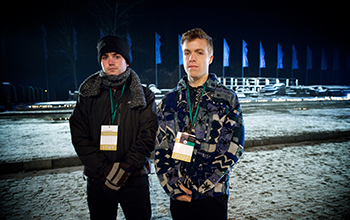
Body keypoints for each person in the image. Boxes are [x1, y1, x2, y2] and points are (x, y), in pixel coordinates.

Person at [154, 28, 244, 220]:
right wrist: (174, 187)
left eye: (199, 52)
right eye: (187, 52)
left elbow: (232, 148)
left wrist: (195, 186)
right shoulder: (168, 101)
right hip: (178, 195)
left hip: (213, 195)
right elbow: (160, 148)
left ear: (210, 58)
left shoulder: (227, 99)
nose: (192, 58)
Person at [70, 35, 158, 220]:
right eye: (105, 57)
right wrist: (105, 169)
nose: (110, 61)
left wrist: (126, 168)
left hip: (134, 178)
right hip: (99, 179)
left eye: (116, 56)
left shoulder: (144, 95)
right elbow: (79, 135)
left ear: (126, 60)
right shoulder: (87, 95)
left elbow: (149, 134)